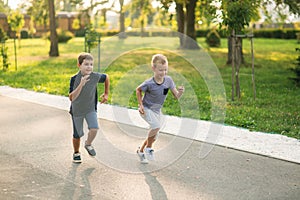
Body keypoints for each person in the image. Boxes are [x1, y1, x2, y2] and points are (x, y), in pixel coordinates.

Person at [136, 54, 184, 164]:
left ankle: (141, 151)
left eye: (165, 70)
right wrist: (140, 105)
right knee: (156, 126)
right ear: (153, 68)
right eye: (160, 70)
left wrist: (180, 92)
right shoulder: (149, 83)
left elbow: (176, 96)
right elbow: (138, 90)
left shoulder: (168, 80)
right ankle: (148, 149)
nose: (163, 73)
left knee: (154, 134)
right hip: (146, 109)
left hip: (157, 111)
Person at [69, 52, 109, 163]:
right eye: (86, 64)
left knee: (94, 128)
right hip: (77, 111)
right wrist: (81, 84)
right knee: (77, 134)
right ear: (79, 65)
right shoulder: (74, 79)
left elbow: (106, 77)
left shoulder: (95, 76)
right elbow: (72, 97)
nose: (89, 67)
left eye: (91, 64)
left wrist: (106, 93)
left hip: (90, 109)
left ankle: (88, 144)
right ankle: (76, 153)